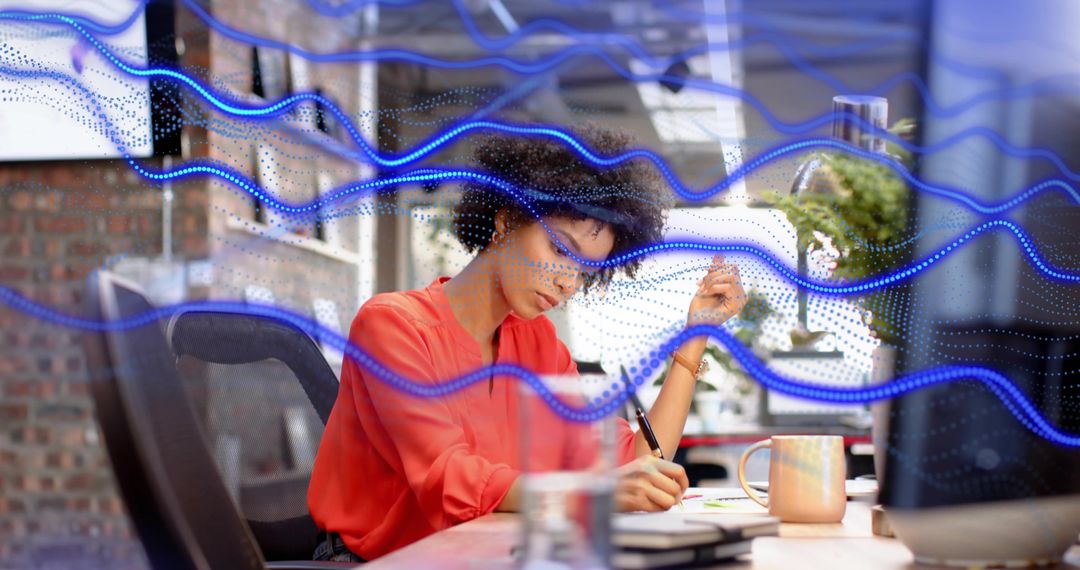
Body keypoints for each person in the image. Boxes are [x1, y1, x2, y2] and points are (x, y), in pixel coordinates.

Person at [307, 124, 747, 562]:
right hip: (384, 560)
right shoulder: (392, 327)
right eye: (560, 249)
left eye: (584, 270)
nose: (568, 281)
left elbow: (633, 461)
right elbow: (447, 479)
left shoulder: (539, 346)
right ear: (506, 220)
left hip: (485, 552)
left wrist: (694, 337)